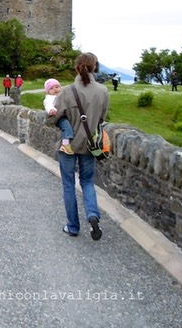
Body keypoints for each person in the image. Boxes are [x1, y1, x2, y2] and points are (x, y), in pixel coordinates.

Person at [46, 52, 110, 240]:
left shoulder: (67, 91)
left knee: (68, 184)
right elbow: (102, 118)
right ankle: (92, 215)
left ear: (77, 67)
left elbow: (52, 118)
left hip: (69, 146)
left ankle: (73, 226)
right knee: (87, 182)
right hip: (90, 145)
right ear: (95, 67)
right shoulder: (103, 91)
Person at [44, 78, 75, 154]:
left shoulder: (63, 96)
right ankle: (65, 144)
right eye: (51, 88)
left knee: (68, 126)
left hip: (64, 115)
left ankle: (66, 143)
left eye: (57, 87)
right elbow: (48, 105)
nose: (55, 89)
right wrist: (51, 110)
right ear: (48, 91)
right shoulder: (49, 98)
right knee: (66, 127)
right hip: (58, 117)